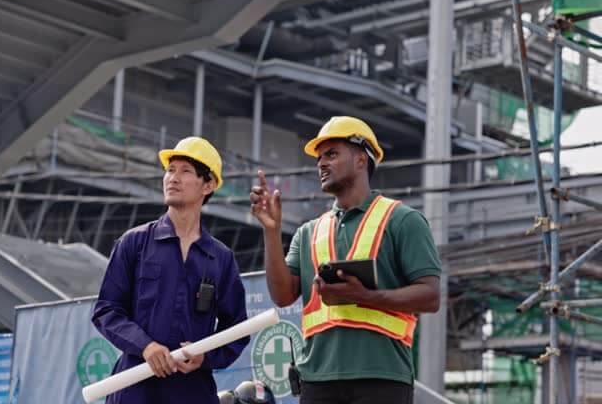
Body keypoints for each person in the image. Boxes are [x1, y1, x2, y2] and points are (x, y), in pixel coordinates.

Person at [249, 116, 441, 404]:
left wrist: (366, 297)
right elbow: (282, 295)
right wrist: (272, 231)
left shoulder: (403, 221)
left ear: (361, 160)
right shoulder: (308, 232)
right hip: (317, 379)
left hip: (382, 377)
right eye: (320, 158)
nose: (321, 164)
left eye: (332, 154)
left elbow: (430, 296)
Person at [92, 137, 249, 404]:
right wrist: (146, 346)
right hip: (135, 387)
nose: (173, 178)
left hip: (191, 392)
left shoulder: (220, 259)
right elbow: (107, 310)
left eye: (185, 171)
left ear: (208, 184)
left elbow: (237, 328)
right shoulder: (134, 243)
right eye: (170, 170)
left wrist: (204, 357)